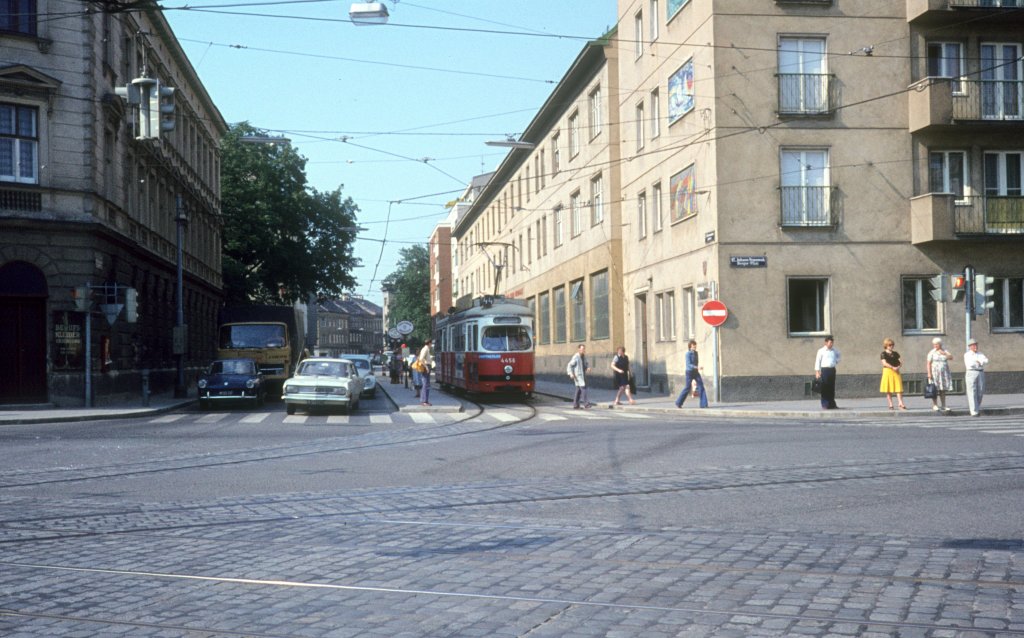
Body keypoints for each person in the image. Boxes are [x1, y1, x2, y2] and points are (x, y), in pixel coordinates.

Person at [674, 340, 708, 409]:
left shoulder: (696, 353)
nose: (694, 347)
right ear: (690, 347)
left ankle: (704, 404)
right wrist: (697, 367)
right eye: (693, 346)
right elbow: (689, 365)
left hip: (695, 372)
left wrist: (697, 368)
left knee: (701, 386)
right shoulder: (688, 354)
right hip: (689, 372)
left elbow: (696, 362)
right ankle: (678, 402)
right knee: (687, 387)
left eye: (695, 345)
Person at [926, 337, 953, 413]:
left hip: (944, 373)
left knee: (942, 389)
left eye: (937, 344)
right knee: (934, 389)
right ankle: (935, 405)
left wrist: (944, 353)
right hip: (935, 373)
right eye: (934, 344)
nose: (935, 346)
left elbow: (951, 357)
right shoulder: (932, 352)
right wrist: (929, 373)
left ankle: (943, 405)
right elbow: (928, 363)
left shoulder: (945, 351)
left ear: (940, 344)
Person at [964, 338, 989, 417]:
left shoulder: (980, 354)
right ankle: (974, 411)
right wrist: (979, 362)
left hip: (980, 372)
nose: (975, 346)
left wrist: (979, 362)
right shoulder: (967, 354)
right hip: (971, 372)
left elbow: (986, 360)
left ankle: (976, 407)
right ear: (970, 346)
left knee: (980, 391)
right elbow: (971, 364)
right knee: (972, 392)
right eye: (973, 345)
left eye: (976, 345)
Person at [814, 335, 840, 409]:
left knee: (831, 387)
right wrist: (817, 372)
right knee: (825, 387)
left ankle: (832, 404)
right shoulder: (821, 351)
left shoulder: (834, 350)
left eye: (832, 343)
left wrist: (836, 361)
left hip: (832, 370)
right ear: (826, 343)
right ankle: (825, 404)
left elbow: (839, 355)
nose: (831, 344)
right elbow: (817, 361)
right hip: (825, 370)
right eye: (830, 342)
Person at [880, 338, 907, 410]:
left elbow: (900, 362)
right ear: (886, 345)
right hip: (888, 371)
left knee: (898, 388)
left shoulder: (895, 353)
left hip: (896, 371)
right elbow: (884, 363)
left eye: (892, 345)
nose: (891, 346)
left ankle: (900, 403)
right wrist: (892, 367)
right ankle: (891, 404)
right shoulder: (883, 354)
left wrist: (898, 367)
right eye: (889, 345)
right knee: (888, 389)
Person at [567, 344, 593, 409]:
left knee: (578, 390)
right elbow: (569, 365)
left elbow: (586, 364)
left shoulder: (584, 356)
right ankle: (586, 404)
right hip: (577, 376)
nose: (583, 350)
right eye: (581, 349)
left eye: (584, 349)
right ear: (579, 349)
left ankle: (575, 404)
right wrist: (570, 374)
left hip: (582, 375)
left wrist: (588, 368)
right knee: (583, 389)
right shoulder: (576, 357)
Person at [417, 339, 434, 406]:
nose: (431, 345)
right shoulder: (425, 349)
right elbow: (421, 359)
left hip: (427, 366)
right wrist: (426, 367)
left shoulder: (426, 349)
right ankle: (424, 401)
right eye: (431, 343)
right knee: (425, 384)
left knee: (427, 384)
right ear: (429, 343)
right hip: (426, 367)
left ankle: (425, 401)